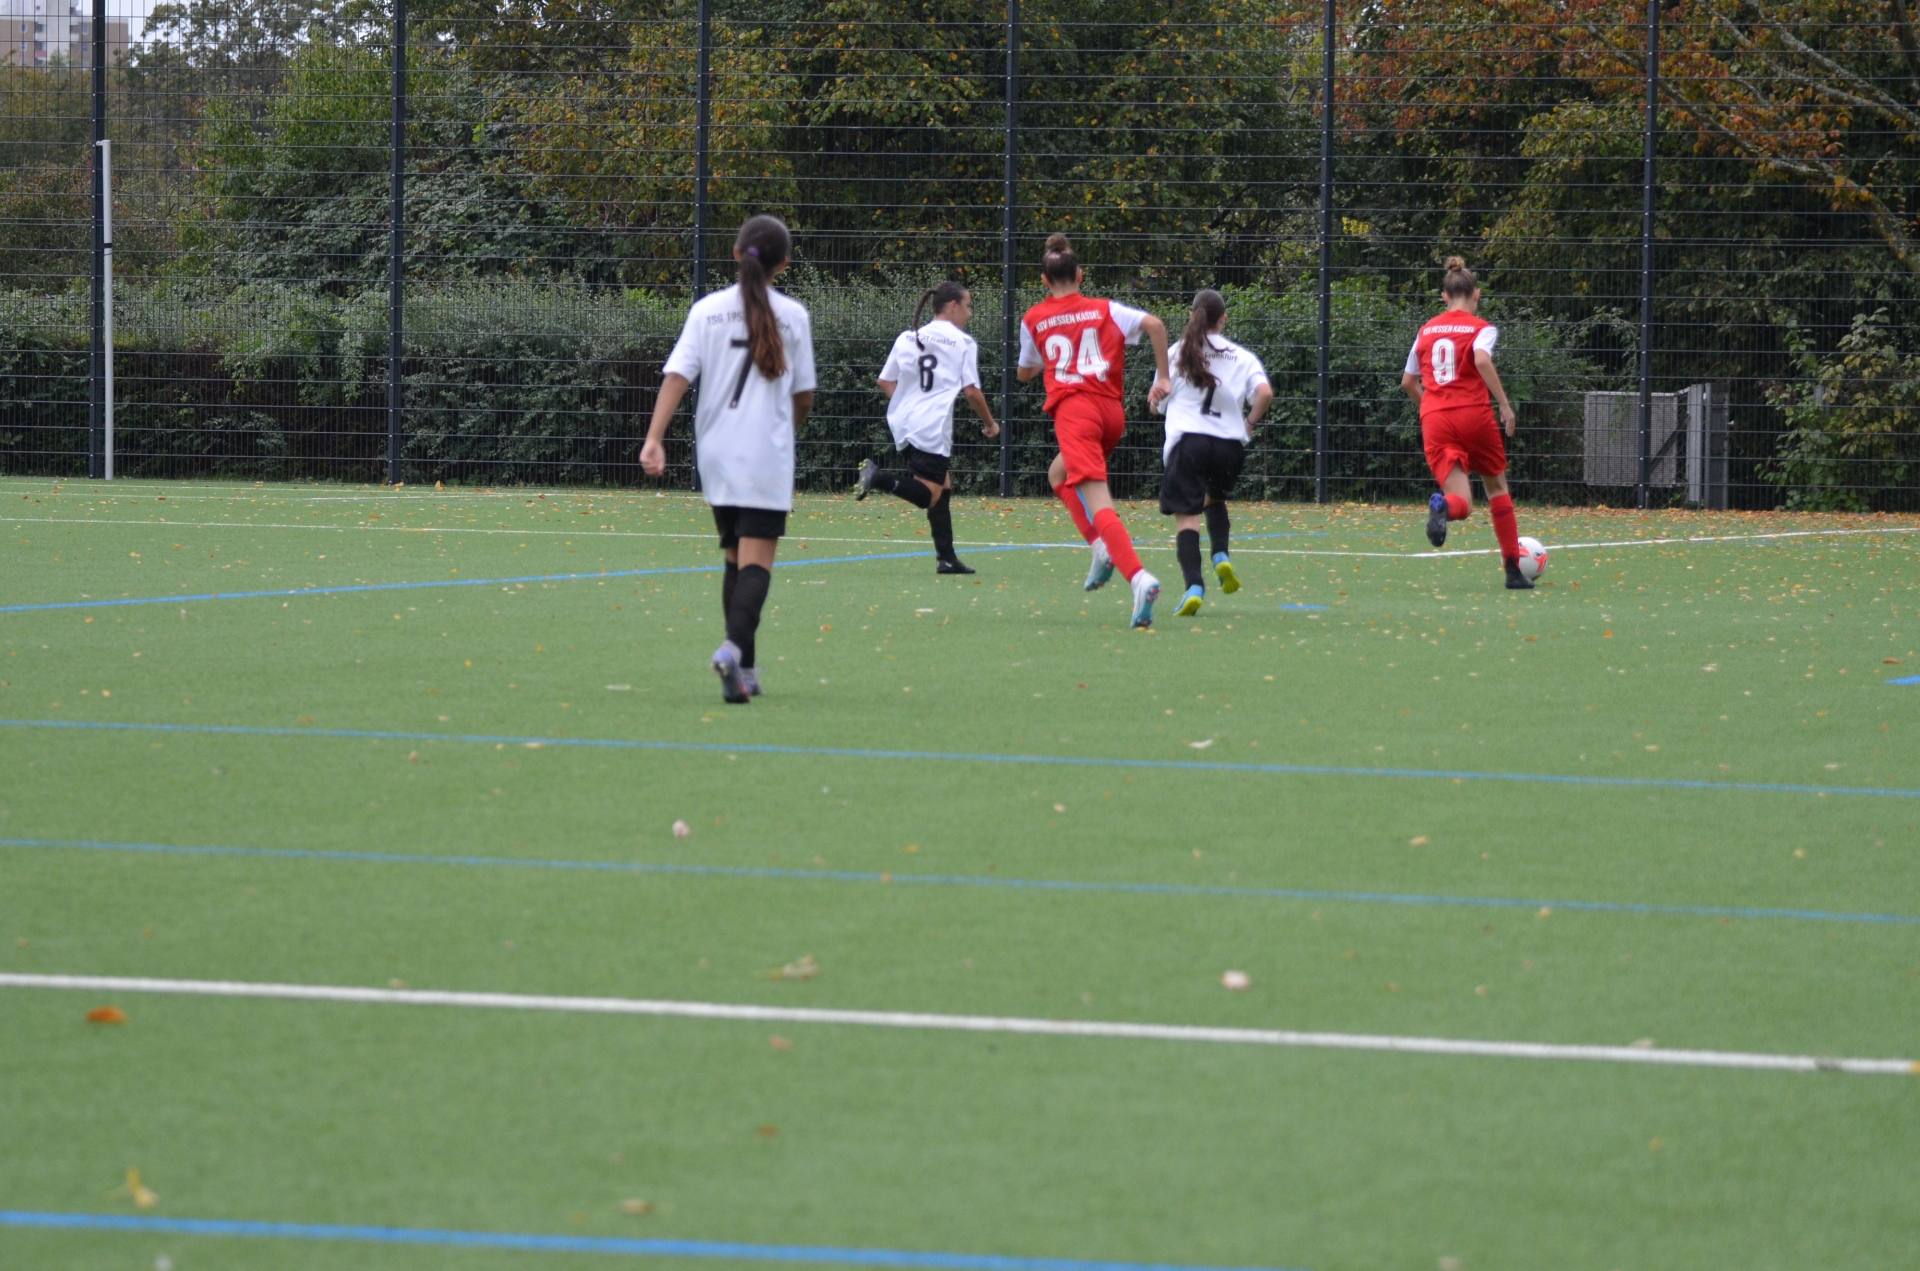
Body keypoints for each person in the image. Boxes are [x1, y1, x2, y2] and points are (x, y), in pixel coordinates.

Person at [641, 214, 817, 703]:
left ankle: (747, 672)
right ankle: (732, 651)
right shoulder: (793, 315)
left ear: (736, 254)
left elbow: (677, 376)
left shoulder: (706, 311)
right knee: (757, 563)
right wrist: (789, 430)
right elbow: (804, 396)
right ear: (783, 264)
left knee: (736, 559)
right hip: (765, 453)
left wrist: (654, 438)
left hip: (715, 453)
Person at [1017, 232, 1170, 628]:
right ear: (1080, 275)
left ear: (1044, 281)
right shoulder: (1106, 309)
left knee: (1100, 504)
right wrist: (1163, 377)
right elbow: (1155, 325)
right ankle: (1100, 546)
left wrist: (1049, 358)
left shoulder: (1033, 318)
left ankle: (1138, 577)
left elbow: (1024, 372)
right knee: (1057, 474)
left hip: (1076, 414)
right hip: (1111, 413)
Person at [1400, 256, 1532, 590]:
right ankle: (1513, 572)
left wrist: (1431, 409)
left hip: (1436, 419)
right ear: (1477, 294)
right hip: (1474, 414)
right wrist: (1505, 405)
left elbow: (1408, 382)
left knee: (1463, 502)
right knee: (1496, 488)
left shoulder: (1425, 331)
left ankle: (1443, 506)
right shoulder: (1481, 328)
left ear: (1444, 296)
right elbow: (1481, 360)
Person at [855, 281, 1001, 574]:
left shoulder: (908, 336)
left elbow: (884, 380)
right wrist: (990, 423)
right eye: (968, 306)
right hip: (931, 427)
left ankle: (946, 558)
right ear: (953, 306)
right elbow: (972, 392)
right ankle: (878, 477)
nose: (970, 313)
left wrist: (908, 406)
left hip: (902, 422)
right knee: (929, 494)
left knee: (942, 485)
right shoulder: (963, 343)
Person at [1148, 288, 1273, 616]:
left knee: (1187, 516)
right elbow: (1264, 393)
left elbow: (1158, 403)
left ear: (1192, 316)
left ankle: (1194, 586)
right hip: (1229, 446)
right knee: (1214, 499)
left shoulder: (1177, 353)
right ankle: (1221, 555)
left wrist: (1155, 402)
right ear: (1223, 319)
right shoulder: (1242, 357)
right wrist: (1248, 423)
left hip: (1189, 443)